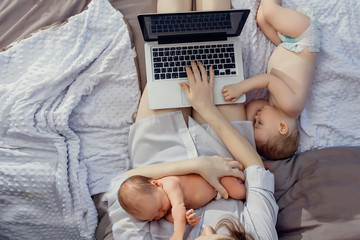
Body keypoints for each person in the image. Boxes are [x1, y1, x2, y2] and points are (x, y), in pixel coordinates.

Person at [117, 0, 278, 239]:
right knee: (216, 28)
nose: (207, 230)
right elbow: (255, 169)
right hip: (227, 150)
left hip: (158, 154)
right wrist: (206, 108)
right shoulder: (260, 234)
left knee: (169, 34)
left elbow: (124, 181)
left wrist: (196, 166)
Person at [222, 0, 320, 160]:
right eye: (259, 123)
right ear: (282, 127)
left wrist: (247, 132)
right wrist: (241, 87)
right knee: (269, 11)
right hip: (303, 37)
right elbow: (269, 80)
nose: (257, 117)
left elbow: (254, 106)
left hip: (284, 44)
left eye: (255, 122)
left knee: (261, 19)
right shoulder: (290, 106)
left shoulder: (275, 108)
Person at [118, 173, 246, 233]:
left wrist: (177, 235)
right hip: (217, 193)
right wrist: (186, 219)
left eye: (160, 206)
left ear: (156, 184)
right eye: (154, 217)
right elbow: (177, 216)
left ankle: (250, 174)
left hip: (219, 179)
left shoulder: (170, 184)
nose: (161, 213)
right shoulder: (165, 209)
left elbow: (178, 207)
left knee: (240, 193)